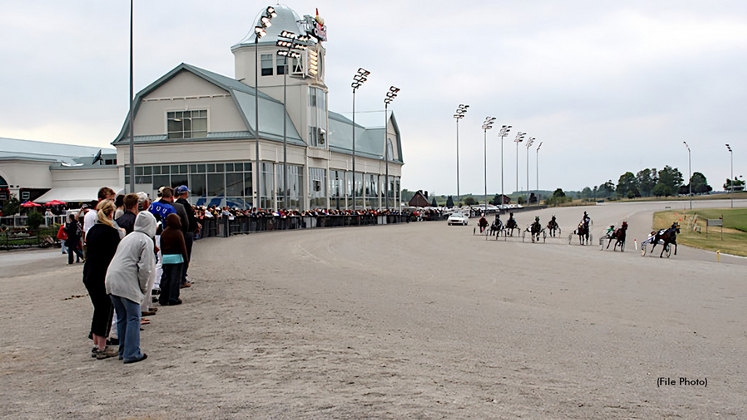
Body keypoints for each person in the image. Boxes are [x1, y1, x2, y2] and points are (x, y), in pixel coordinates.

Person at [105, 211, 156, 364]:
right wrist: (143, 288)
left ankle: (123, 350)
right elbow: (145, 268)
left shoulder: (127, 238)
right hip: (127, 280)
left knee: (122, 317)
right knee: (134, 317)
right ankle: (132, 352)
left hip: (111, 278)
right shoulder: (146, 241)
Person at [83, 200, 121, 359]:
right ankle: (102, 346)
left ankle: (96, 343)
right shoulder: (111, 232)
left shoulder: (92, 230)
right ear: (111, 213)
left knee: (98, 308)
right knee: (106, 308)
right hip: (102, 274)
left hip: (89, 272)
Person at [159, 214, 189, 306]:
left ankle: (163, 298)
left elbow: (161, 246)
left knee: (165, 278)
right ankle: (173, 298)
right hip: (177, 258)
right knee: (175, 279)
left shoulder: (164, 233)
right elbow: (183, 248)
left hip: (166, 258)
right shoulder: (177, 233)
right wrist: (186, 260)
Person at [175, 185, 199, 287]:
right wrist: (196, 226)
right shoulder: (184, 204)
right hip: (187, 231)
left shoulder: (176, 204)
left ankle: (180, 277)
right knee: (186, 255)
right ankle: (182, 277)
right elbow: (189, 218)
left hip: (179, 231)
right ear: (185, 193)